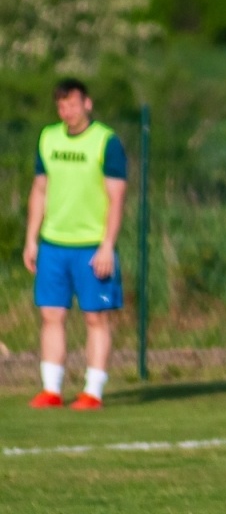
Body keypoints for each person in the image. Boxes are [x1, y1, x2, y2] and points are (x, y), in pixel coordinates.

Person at [23, 78, 127, 410]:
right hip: (54, 243)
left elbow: (116, 197)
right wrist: (31, 239)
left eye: (72, 103)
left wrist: (107, 245)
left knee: (96, 317)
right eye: (61, 105)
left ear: (87, 104)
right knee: (51, 313)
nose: (66, 110)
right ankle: (51, 389)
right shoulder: (48, 138)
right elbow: (40, 189)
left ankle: (92, 392)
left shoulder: (106, 142)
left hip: (91, 245)